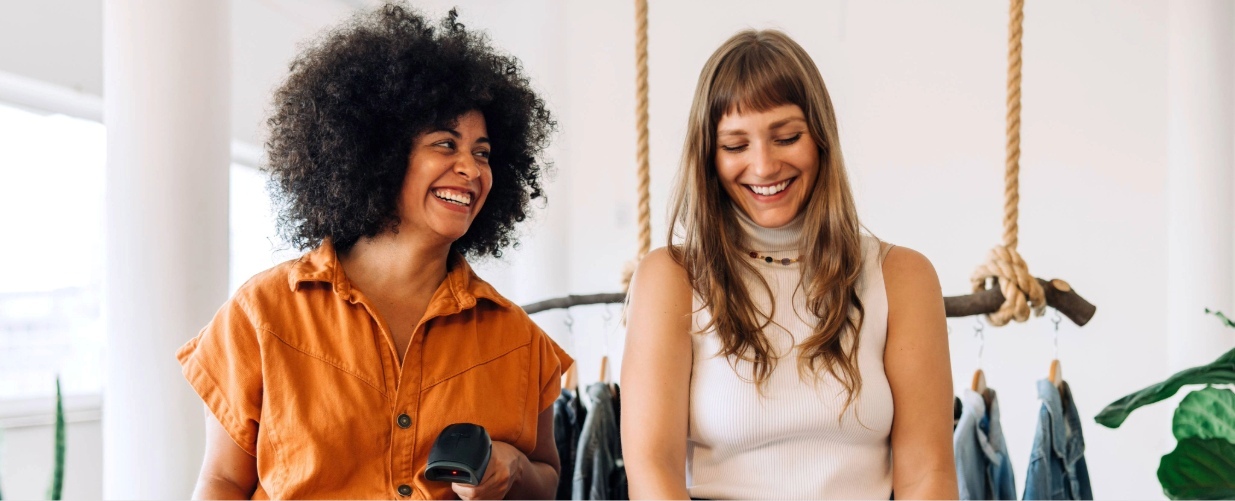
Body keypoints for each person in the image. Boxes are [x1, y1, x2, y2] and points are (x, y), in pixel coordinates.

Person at [176, 4, 568, 499]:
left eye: (483, 152)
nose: (471, 168)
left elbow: (549, 481)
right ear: (378, 152)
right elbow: (224, 481)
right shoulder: (262, 316)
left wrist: (513, 468)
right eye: (446, 144)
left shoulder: (520, 342)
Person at [621, 29, 958, 499]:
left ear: (820, 138)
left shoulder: (902, 276)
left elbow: (929, 475)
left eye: (786, 137)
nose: (763, 166)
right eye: (736, 146)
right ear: (708, 156)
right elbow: (652, 469)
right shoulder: (672, 278)